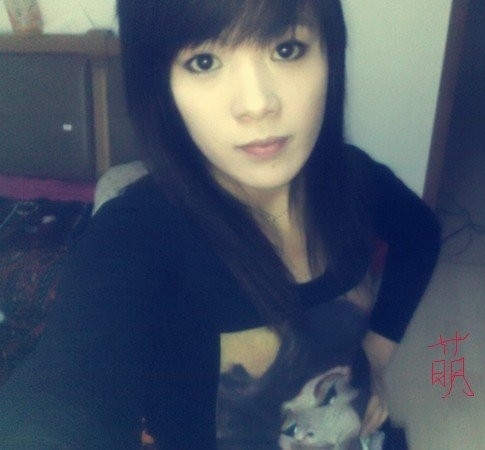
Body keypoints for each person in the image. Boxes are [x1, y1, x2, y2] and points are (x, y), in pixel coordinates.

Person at [0, 0, 440, 448]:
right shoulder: (138, 235)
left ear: (330, 53)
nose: (257, 104)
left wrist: (377, 354)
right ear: (160, 85)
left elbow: (422, 235)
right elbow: (62, 398)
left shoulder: (354, 177)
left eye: (286, 49)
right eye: (204, 61)